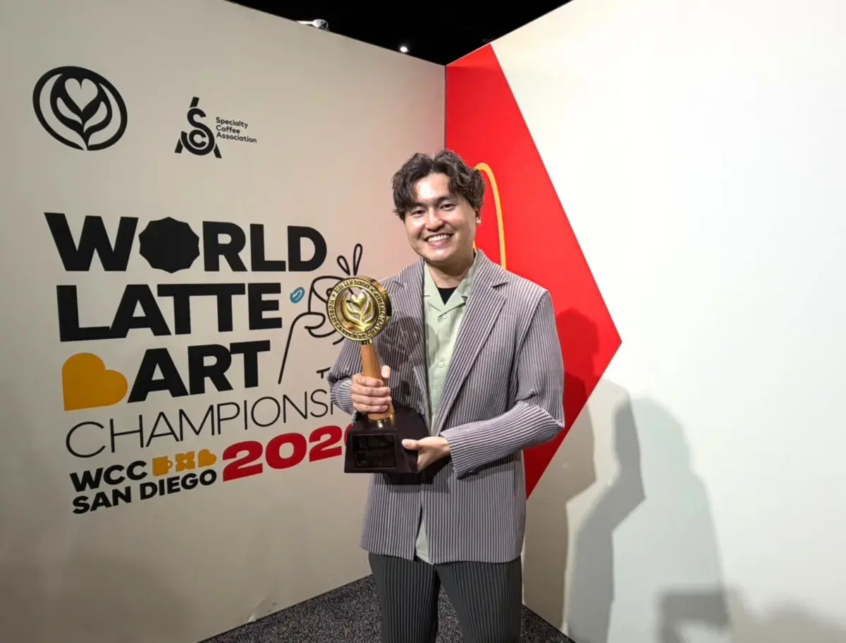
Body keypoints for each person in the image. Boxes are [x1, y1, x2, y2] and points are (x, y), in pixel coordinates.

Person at [327, 149, 565, 643]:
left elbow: (542, 412)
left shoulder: (525, 301)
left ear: (475, 211)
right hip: (397, 515)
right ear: (406, 222)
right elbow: (338, 383)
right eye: (417, 211)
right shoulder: (379, 298)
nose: (432, 222)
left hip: (479, 514)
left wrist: (453, 444)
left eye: (446, 205)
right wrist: (357, 394)